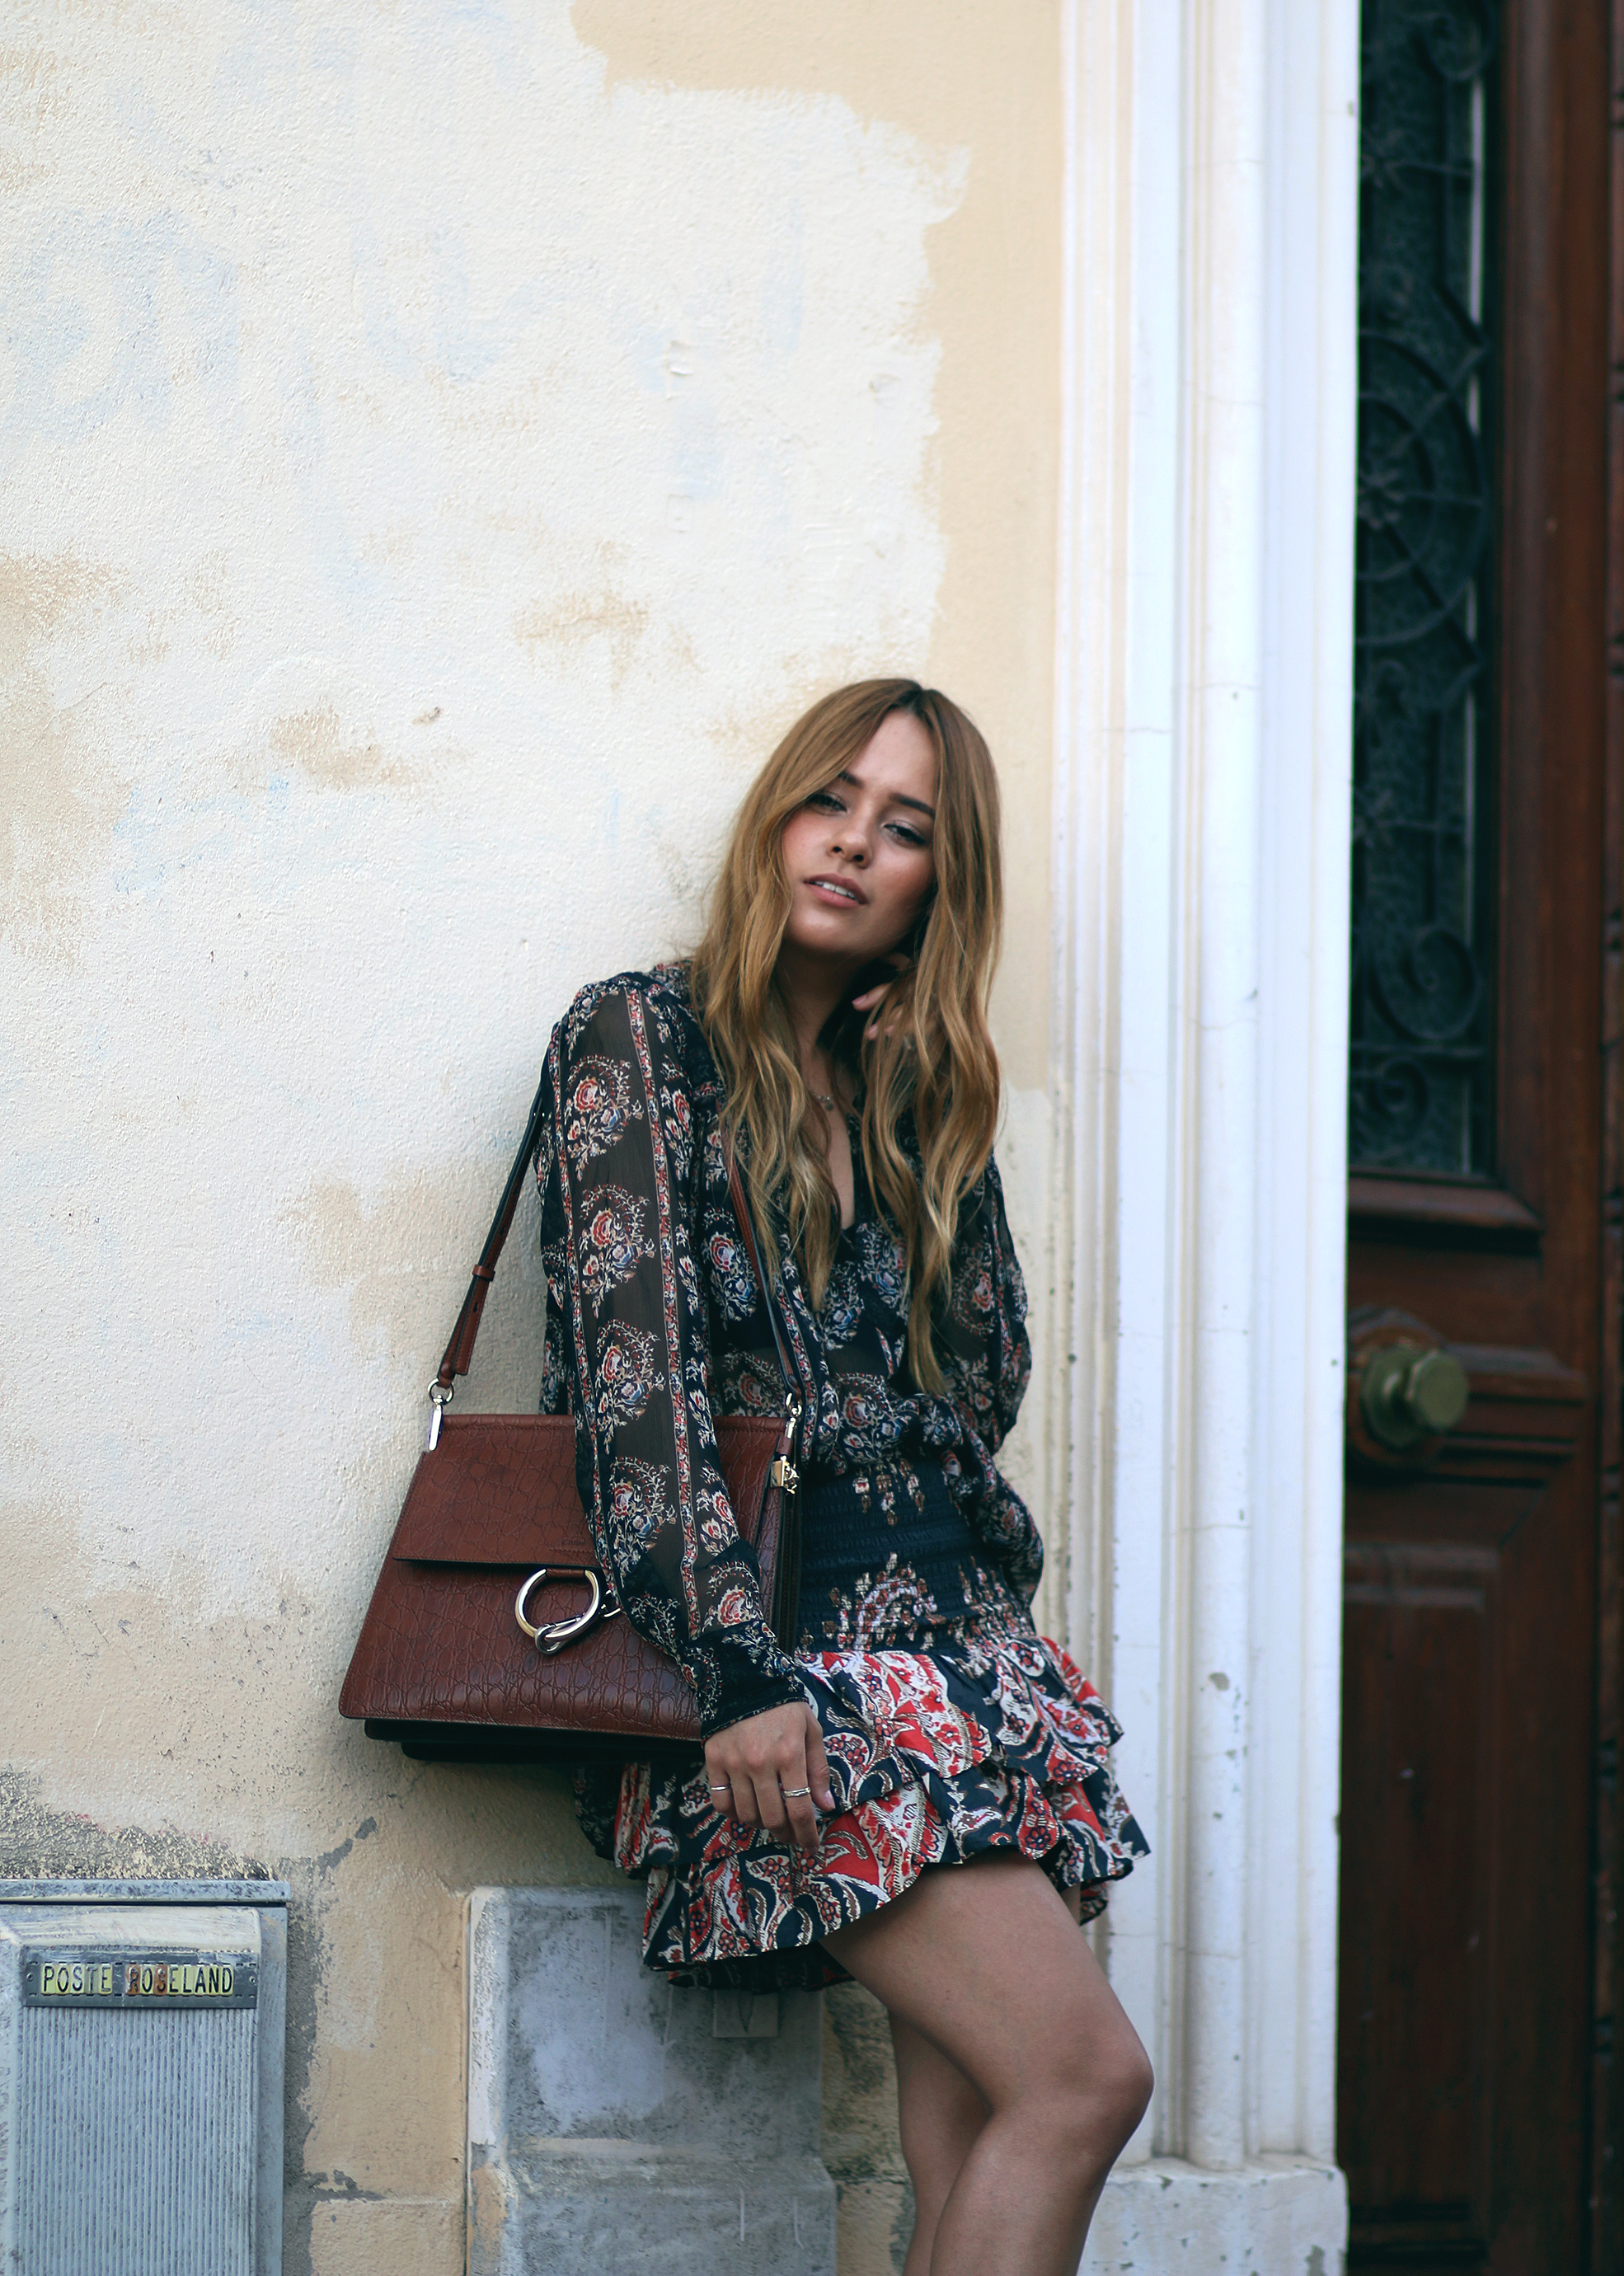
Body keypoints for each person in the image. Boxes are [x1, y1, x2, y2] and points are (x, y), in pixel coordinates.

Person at [536, 678, 1152, 2276]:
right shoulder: (639, 1039)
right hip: (797, 1658)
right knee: (1085, 2081)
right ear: (774, 815)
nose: (853, 848)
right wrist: (733, 1668)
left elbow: (983, 1379)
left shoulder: (895, 1085)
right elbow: (637, 1384)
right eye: (831, 802)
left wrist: (927, 1109)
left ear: (940, 886)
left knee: (968, 2144)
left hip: (973, 1651)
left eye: (905, 832)